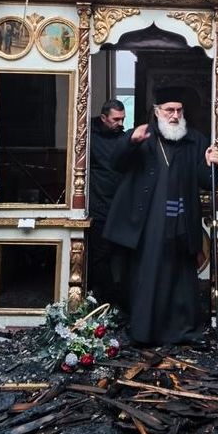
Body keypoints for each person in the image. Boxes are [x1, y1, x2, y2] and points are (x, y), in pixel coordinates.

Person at [103, 87, 218, 346]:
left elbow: (208, 182)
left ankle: (183, 331)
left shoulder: (195, 140)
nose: (175, 115)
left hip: (182, 221)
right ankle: (145, 333)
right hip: (149, 223)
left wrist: (213, 164)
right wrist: (130, 142)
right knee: (149, 275)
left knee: (181, 278)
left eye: (179, 110)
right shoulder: (143, 136)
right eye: (169, 110)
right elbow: (116, 164)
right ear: (157, 112)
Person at [88, 100, 128, 310]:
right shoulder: (88, 137)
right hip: (100, 206)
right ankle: (105, 302)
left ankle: (122, 300)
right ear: (104, 118)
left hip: (122, 207)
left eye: (123, 119)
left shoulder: (124, 138)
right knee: (101, 256)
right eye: (116, 119)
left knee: (123, 254)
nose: (120, 123)